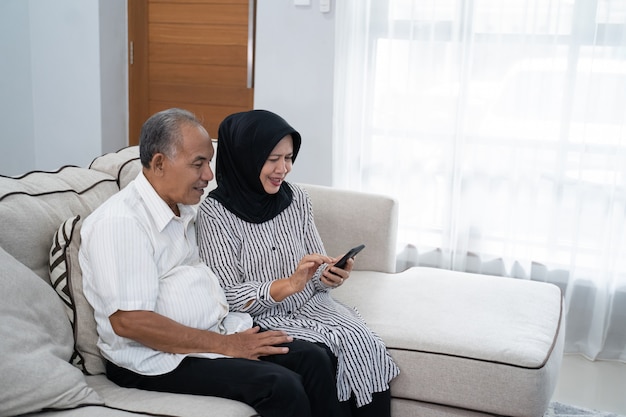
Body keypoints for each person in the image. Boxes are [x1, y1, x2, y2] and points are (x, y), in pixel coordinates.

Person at [79, 108, 340, 417]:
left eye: (209, 162)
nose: (209, 175)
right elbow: (130, 322)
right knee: (279, 387)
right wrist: (225, 346)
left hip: (213, 334)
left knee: (315, 359)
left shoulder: (181, 207)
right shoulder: (121, 223)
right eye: (198, 164)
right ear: (159, 163)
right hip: (153, 359)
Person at [196, 109, 400, 417]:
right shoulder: (214, 214)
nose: (283, 169)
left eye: (289, 157)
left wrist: (327, 275)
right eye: (272, 159)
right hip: (261, 318)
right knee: (324, 356)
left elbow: (314, 270)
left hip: (313, 306)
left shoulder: (297, 199)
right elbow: (225, 296)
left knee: (360, 341)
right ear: (245, 157)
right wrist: (286, 286)